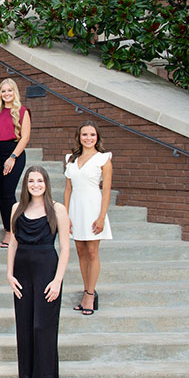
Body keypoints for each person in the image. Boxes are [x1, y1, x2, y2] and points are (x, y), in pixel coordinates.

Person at [6, 166, 70, 378]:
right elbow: (13, 243)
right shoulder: (17, 208)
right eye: (31, 181)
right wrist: (9, 274)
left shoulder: (58, 209)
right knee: (24, 328)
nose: (35, 185)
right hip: (22, 273)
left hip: (47, 272)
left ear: (46, 183)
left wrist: (57, 281)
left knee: (42, 327)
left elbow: (65, 248)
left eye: (39, 180)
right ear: (26, 184)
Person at [63, 121, 112, 316]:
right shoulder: (70, 159)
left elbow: (106, 191)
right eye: (85, 135)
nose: (88, 138)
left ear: (97, 137)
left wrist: (101, 217)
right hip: (76, 208)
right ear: (79, 137)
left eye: (92, 135)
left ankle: (90, 295)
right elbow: (68, 190)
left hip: (93, 207)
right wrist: (65, 216)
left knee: (92, 251)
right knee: (80, 251)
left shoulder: (104, 159)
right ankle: (86, 291)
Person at [0, 78, 32, 248]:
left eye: (9, 90)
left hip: (14, 153)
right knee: (1, 193)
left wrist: (12, 157)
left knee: (8, 192)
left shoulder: (22, 111)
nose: (6, 94)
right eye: (3, 91)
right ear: (0, 94)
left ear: (15, 92)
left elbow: (25, 137)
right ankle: (9, 227)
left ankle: (11, 231)